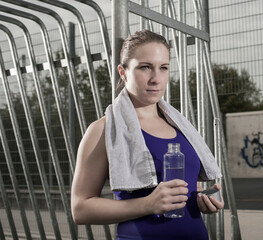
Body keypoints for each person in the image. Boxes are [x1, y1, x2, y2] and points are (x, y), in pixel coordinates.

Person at [71, 29, 224, 240]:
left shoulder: (181, 127)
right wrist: (147, 204)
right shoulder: (103, 130)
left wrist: (200, 200)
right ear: (123, 72)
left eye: (163, 68)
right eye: (145, 67)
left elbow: (184, 188)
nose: (156, 79)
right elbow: (80, 209)